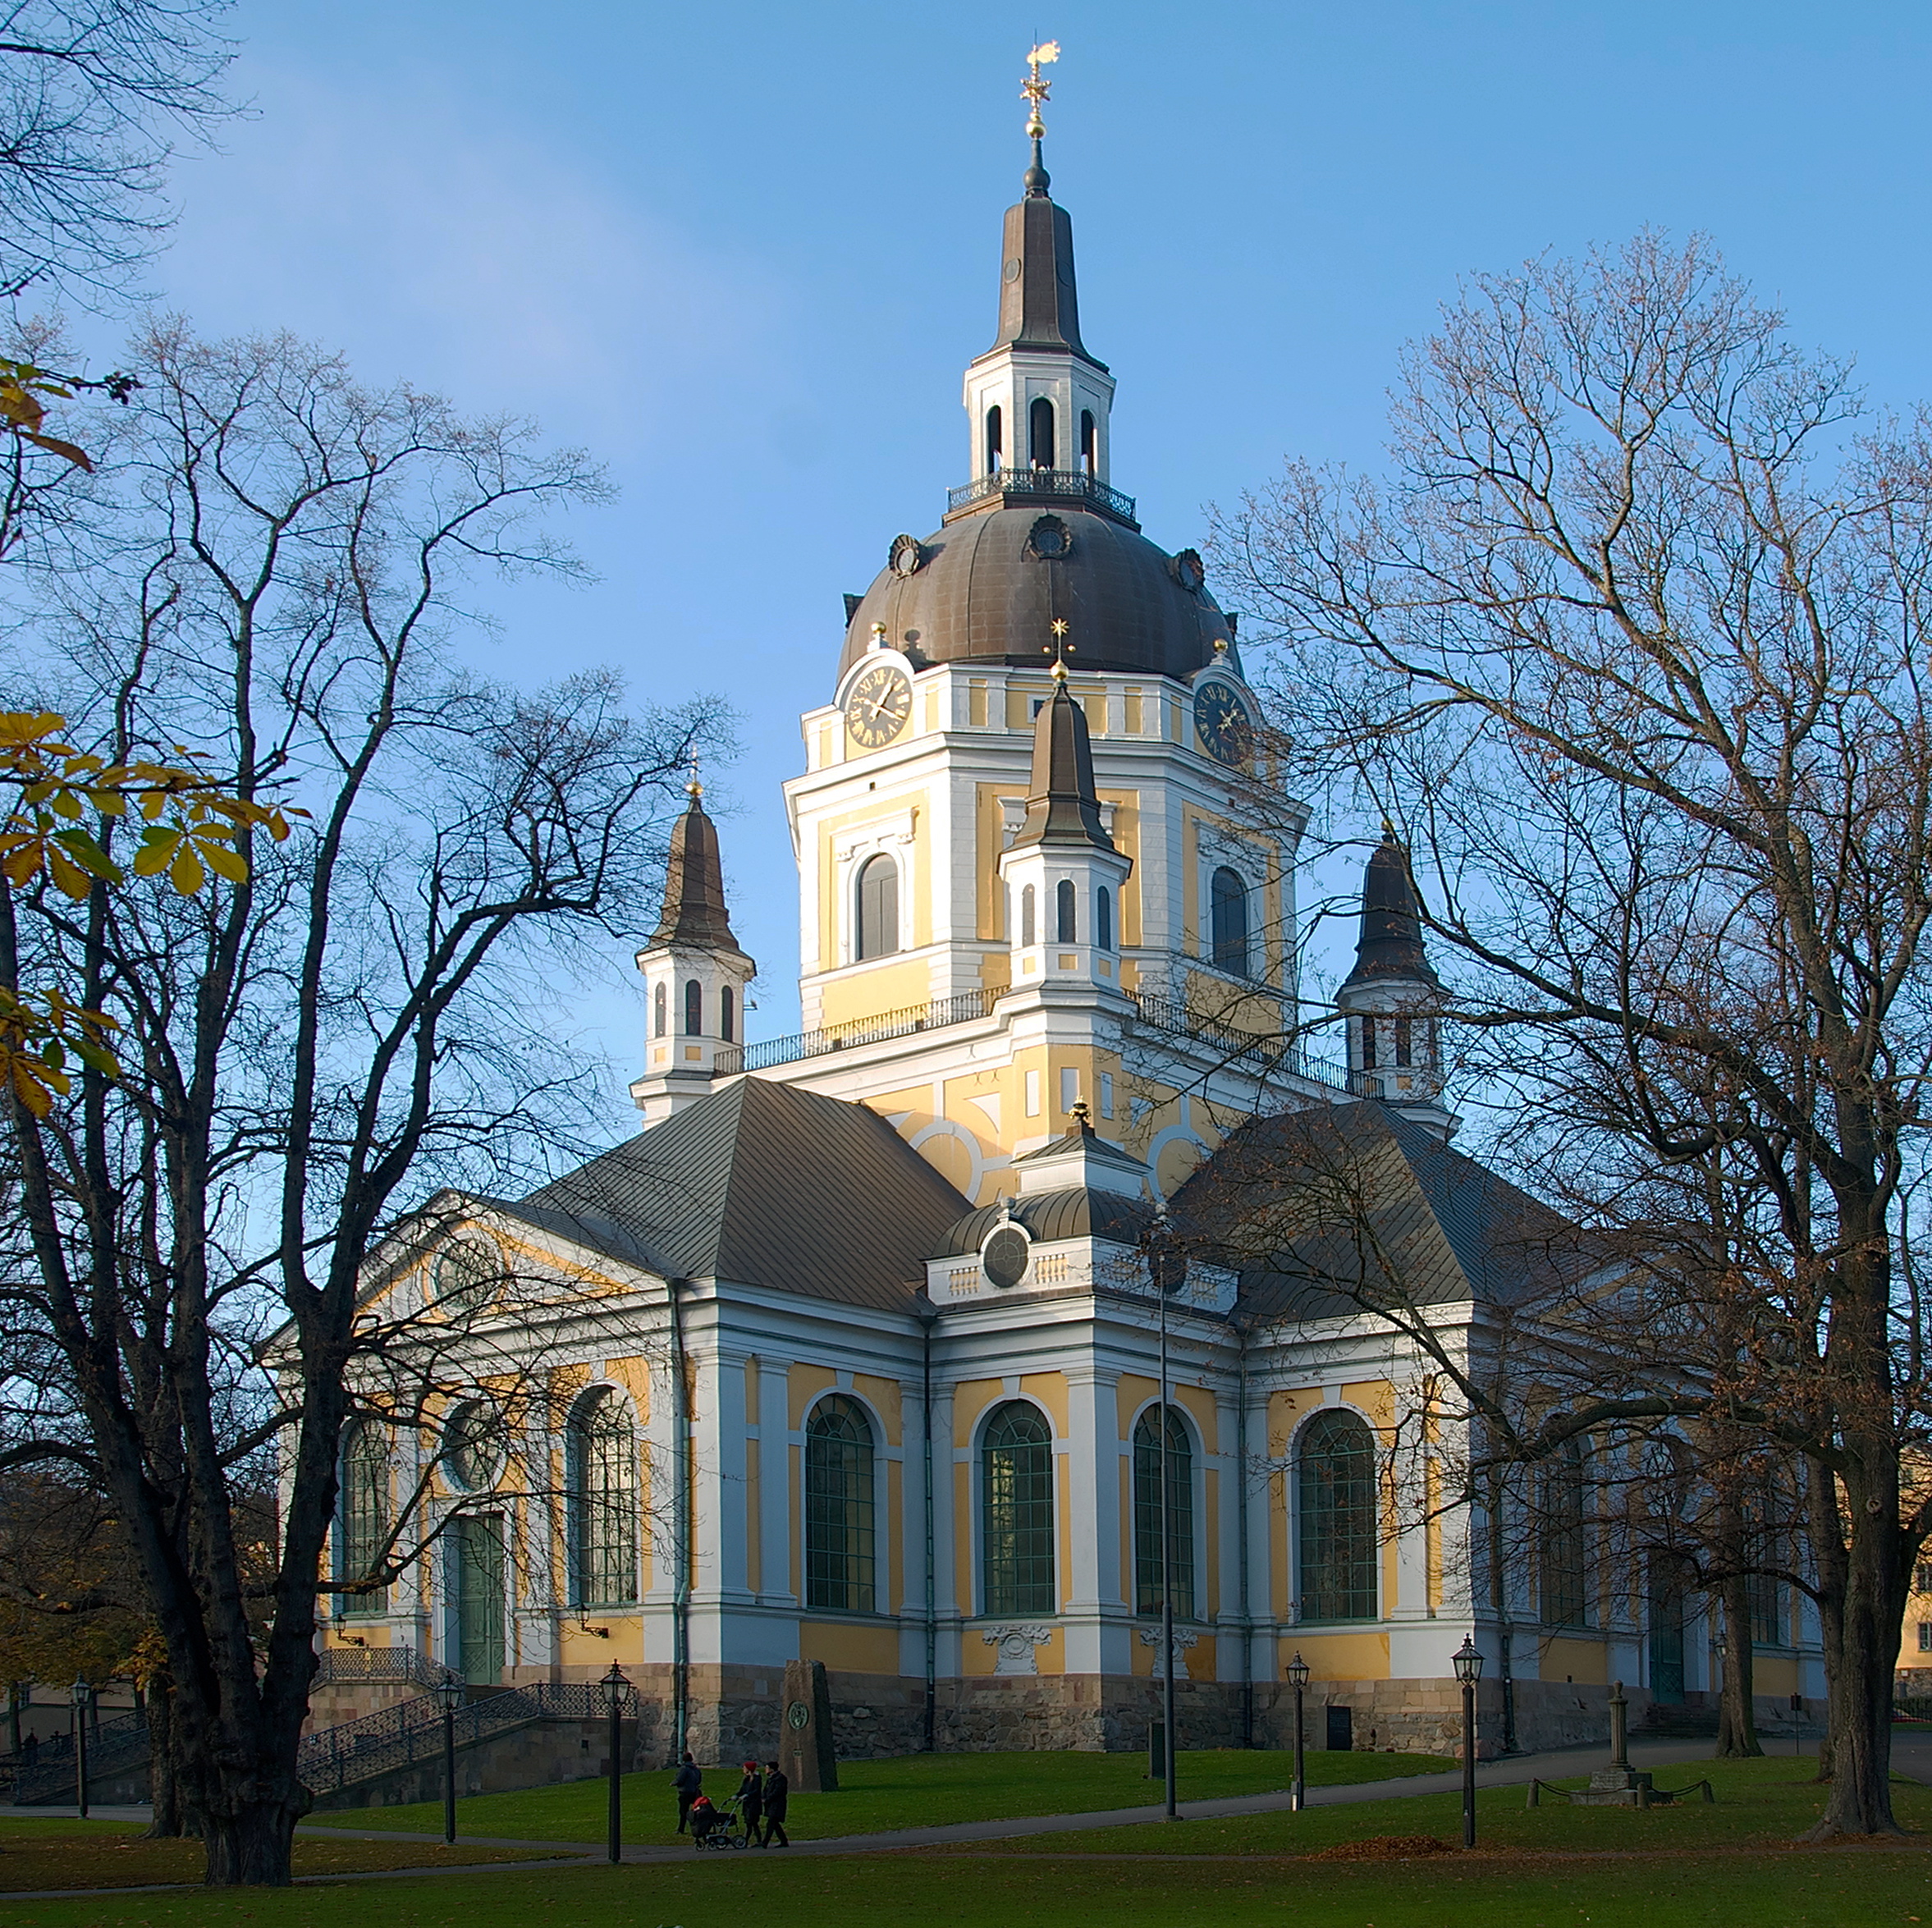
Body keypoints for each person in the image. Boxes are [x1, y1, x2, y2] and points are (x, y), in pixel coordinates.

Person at [735, 1760, 764, 1844]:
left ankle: (752, 1840)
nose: (743, 1769)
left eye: (744, 1768)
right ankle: (748, 1840)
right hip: (747, 1804)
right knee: (749, 1823)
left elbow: (756, 1791)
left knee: (752, 1823)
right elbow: (742, 1790)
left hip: (754, 1804)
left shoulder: (757, 1779)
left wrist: (747, 1795)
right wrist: (737, 1795)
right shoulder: (746, 1779)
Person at [762, 1759, 789, 1847]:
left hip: (777, 1804)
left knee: (771, 1822)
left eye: (767, 1768)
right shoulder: (770, 1779)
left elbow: (777, 1792)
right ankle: (784, 1841)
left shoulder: (780, 1778)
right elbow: (765, 1790)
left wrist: (768, 1799)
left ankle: (765, 1842)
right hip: (771, 1804)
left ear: (772, 1769)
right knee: (775, 1823)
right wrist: (763, 1797)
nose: (766, 1770)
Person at [672, 1751, 701, 1833]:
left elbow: (680, 1780)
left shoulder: (684, 1769)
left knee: (683, 1811)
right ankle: (698, 1826)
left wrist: (673, 1783)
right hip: (694, 1792)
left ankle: (681, 1829)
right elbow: (699, 1780)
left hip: (685, 1792)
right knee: (696, 1810)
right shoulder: (696, 1769)